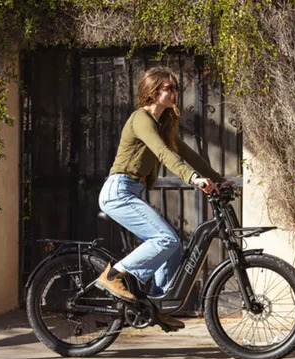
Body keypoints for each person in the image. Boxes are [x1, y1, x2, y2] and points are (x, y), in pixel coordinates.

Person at [95, 66, 236, 330]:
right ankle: (113, 275)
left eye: (176, 88)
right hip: (118, 192)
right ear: (153, 91)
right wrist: (192, 179)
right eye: (169, 88)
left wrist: (217, 179)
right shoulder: (141, 118)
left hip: (131, 191)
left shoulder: (162, 124)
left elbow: (187, 154)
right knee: (165, 239)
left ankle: (158, 305)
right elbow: (163, 153)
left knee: (173, 246)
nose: (174, 93)